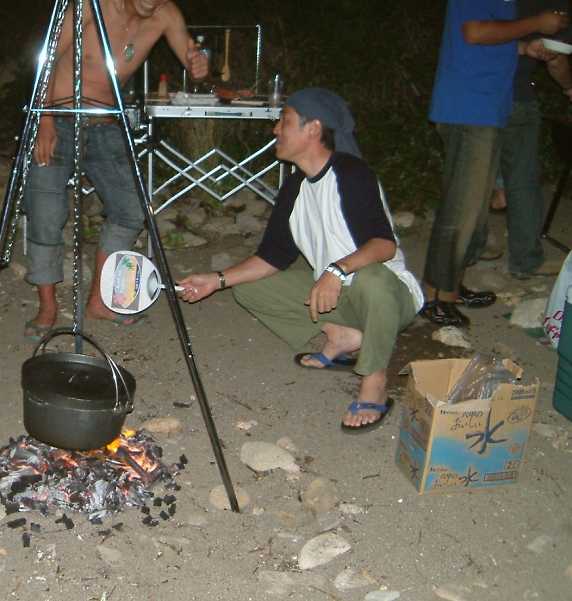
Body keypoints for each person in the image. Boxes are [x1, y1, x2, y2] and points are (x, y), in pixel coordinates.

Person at [176, 88, 424, 431]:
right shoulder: (294, 188)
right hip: (339, 296)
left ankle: (375, 381)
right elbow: (272, 257)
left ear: (313, 128)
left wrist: (336, 270)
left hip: (389, 297)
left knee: (372, 277)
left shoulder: (352, 174)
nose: (275, 129)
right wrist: (216, 280)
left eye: (284, 120)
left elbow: (384, 245)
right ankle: (342, 335)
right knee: (248, 288)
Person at [23, 0, 208, 341]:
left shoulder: (167, 15)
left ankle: (99, 302)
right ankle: (47, 307)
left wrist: (199, 67)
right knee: (46, 215)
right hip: (58, 118)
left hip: (106, 124)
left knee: (131, 210)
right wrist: (43, 118)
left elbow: (194, 65)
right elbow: (46, 59)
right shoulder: (89, 6)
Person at [420, 0, 568, 327]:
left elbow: (490, 41)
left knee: (473, 212)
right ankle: (434, 296)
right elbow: (474, 32)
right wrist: (537, 23)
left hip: (489, 107)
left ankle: (452, 287)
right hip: (468, 107)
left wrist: (525, 48)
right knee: (461, 210)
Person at [489, 0, 572, 280]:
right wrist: (569, 87)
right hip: (516, 96)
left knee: (474, 175)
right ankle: (526, 260)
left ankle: (474, 247)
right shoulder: (553, 7)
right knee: (523, 180)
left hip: (476, 93)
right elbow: (557, 58)